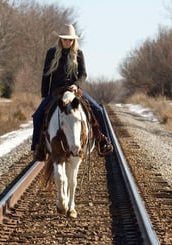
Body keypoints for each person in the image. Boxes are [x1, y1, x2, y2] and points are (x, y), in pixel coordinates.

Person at [31, 24, 113, 161]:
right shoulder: (51, 53)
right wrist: (44, 95)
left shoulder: (79, 53)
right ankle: (37, 146)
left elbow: (83, 74)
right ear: (60, 39)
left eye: (70, 40)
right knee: (38, 116)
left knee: (98, 110)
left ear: (74, 40)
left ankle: (104, 141)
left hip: (75, 91)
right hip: (56, 92)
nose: (67, 42)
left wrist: (76, 85)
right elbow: (46, 76)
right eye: (65, 39)